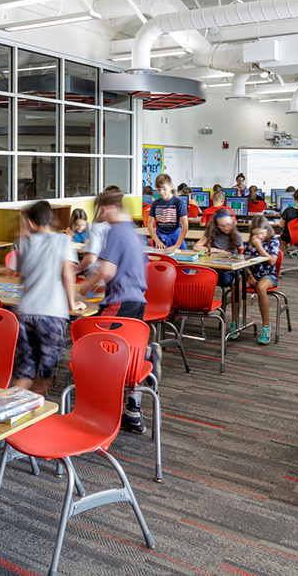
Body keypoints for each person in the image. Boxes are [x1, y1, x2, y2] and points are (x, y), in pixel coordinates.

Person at [79, 189, 157, 435]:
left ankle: (98, 410)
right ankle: (133, 410)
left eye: (99, 211)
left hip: (120, 302)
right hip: (136, 300)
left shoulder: (115, 231)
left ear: (108, 209)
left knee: (99, 349)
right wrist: (104, 285)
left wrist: (87, 284)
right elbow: (129, 270)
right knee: (129, 355)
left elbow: (108, 271)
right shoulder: (133, 231)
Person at [14, 201, 86, 398]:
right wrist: (72, 303)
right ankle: (39, 406)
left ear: (31, 223)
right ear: (52, 220)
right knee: (47, 372)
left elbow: (22, 277)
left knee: (25, 371)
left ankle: (12, 407)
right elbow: (67, 274)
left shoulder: (26, 242)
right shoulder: (63, 240)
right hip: (51, 313)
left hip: (25, 312)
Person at [193, 208, 245, 336]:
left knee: (231, 283)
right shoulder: (213, 233)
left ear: (232, 222)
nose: (225, 228)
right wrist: (216, 250)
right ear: (217, 225)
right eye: (222, 226)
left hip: (229, 272)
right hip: (215, 270)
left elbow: (242, 254)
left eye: (228, 225)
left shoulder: (236, 235)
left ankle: (235, 321)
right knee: (199, 279)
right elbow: (196, 247)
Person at [244, 215, 280, 345]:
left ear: (268, 230)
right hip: (252, 274)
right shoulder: (249, 243)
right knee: (235, 286)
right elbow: (245, 261)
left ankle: (266, 326)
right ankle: (236, 323)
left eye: (261, 233)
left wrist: (259, 246)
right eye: (255, 234)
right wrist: (249, 275)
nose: (258, 237)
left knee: (260, 288)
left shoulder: (273, 241)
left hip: (268, 275)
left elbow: (272, 261)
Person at [148, 173, 188, 250]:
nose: (161, 192)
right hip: (160, 238)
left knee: (181, 256)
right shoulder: (155, 204)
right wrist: (157, 241)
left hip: (176, 237)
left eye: (164, 189)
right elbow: (150, 225)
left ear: (171, 187)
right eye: (159, 190)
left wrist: (177, 245)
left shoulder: (179, 203)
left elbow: (185, 226)